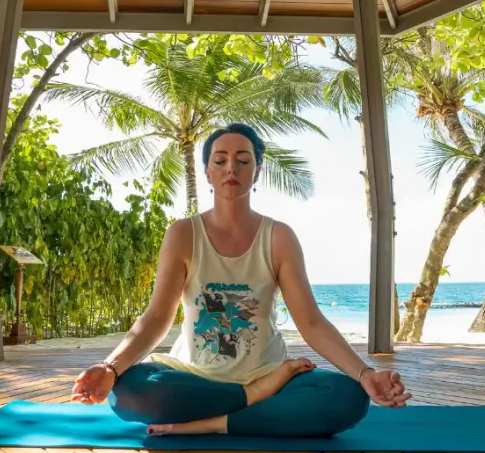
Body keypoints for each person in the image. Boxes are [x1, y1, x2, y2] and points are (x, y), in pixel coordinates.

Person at [70, 124, 411, 437]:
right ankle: (251, 405)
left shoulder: (278, 237)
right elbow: (157, 319)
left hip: (270, 375)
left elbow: (311, 322)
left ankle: (210, 424)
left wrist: (366, 375)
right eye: (220, 160)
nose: (231, 168)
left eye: (243, 160)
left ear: (257, 171)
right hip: (193, 378)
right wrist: (109, 367)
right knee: (129, 391)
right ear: (207, 171)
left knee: (347, 396)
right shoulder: (183, 234)